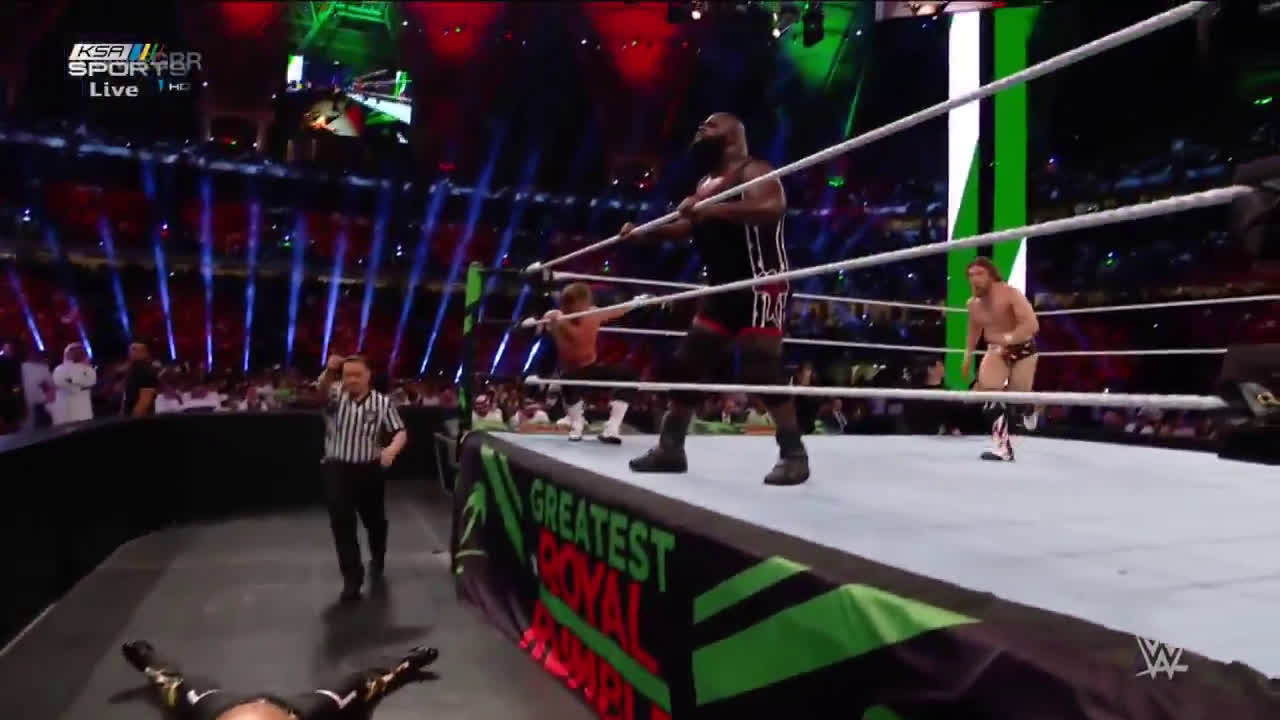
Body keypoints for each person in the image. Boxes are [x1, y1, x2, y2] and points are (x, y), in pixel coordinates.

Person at [616, 112, 808, 485]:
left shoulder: (754, 170)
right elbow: (689, 226)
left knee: (760, 368)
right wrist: (643, 234)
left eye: (712, 125)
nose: (702, 128)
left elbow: (772, 209)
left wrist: (712, 207)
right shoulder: (705, 183)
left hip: (760, 283)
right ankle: (671, 448)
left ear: (735, 134)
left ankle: (794, 453)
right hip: (721, 288)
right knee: (687, 365)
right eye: (702, 124)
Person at [120, 639, 437, 720]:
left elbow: (367, 682)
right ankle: (409, 662)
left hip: (232, 709)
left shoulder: (201, 707)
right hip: (249, 711)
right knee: (359, 687)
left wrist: (406, 665)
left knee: (172, 685)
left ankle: (408, 662)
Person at [319, 354, 407, 603]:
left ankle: (378, 555)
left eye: (357, 375)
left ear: (368, 376)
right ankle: (352, 578)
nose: (352, 380)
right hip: (338, 466)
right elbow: (321, 391)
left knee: (374, 521)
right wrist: (329, 371)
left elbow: (400, 432)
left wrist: (391, 450)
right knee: (341, 522)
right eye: (348, 375)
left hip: (369, 469)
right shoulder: (335, 394)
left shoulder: (381, 403)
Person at [961, 257, 1040, 461]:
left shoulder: (1011, 294)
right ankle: (1003, 448)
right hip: (996, 351)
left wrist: (1006, 339)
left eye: (979, 274)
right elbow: (974, 329)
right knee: (988, 393)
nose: (974, 279)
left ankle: (1028, 407)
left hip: (1023, 349)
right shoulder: (973, 304)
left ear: (992, 275)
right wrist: (967, 355)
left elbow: (1032, 325)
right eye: (970, 275)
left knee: (1017, 399)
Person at [542, 281, 641, 443]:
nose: (577, 308)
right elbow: (542, 323)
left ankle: (612, 428)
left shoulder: (592, 313)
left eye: (581, 304)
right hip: (570, 373)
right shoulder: (558, 319)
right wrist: (537, 321)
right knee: (567, 379)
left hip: (591, 368)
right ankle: (577, 424)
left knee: (629, 376)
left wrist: (637, 302)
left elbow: (617, 310)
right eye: (570, 304)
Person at [51, 342, 96, 425]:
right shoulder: (59, 369)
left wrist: (73, 381)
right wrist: (78, 386)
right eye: (74, 352)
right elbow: (60, 383)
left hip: (83, 409)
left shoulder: (88, 369)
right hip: (65, 409)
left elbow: (91, 382)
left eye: (80, 352)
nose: (76, 354)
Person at [121, 342, 159, 417]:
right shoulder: (133, 370)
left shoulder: (145, 370)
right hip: (129, 415)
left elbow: (145, 400)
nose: (131, 353)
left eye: (134, 349)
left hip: (141, 418)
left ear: (144, 353)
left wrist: (133, 419)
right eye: (131, 350)